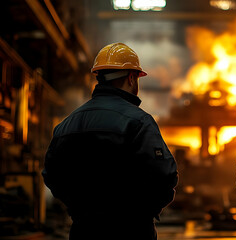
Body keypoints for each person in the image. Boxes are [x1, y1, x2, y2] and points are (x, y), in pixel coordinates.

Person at [42, 43, 178, 240]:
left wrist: (79, 209)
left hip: (83, 230)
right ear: (132, 78)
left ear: (100, 77)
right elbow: (165, 175)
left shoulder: (68, 124)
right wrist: (142, 212)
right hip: (132, 231)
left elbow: (51, 174)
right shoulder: (139, 122)